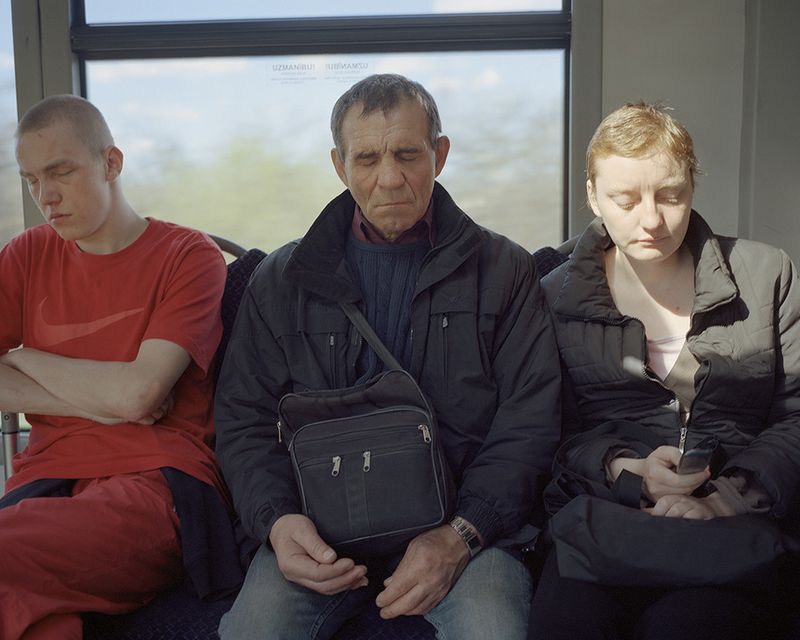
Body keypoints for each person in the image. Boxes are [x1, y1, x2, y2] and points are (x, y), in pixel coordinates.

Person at [214, 73, 561, 639]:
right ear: (339, 165)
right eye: (367, 158)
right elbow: (242, 419)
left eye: (407, 154)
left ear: (440, 154)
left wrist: (464, 535)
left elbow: (531, 420)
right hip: (317, 536)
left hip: (466, 534)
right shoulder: (280, 280)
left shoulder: (505, 270)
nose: (390, 178)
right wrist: (278, 524)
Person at [529, 102, 800, 639]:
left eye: (670, 195)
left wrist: (725, 496)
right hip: (604, 525)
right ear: (592, 197)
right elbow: (545, 431)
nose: (651, 219)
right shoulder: (552, 296)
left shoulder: (766, 274)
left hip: (731, 527)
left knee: (690, 625)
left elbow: (796, 416)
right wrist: (623, 468)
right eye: (624, 200)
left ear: (693, 188)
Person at [0, 95, 227, 640]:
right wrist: (90, 403)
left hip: (156, 484)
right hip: (45, 479)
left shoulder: (188, 255)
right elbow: (121, 401)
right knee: (38, 618)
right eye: (31, 179)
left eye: (60, 173)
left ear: (112, 163)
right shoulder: (26, 256)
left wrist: (25, 359)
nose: (45, 197)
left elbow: (138, 397)